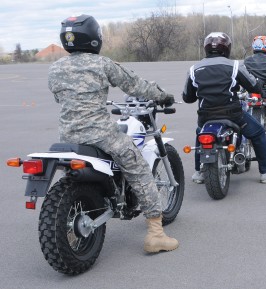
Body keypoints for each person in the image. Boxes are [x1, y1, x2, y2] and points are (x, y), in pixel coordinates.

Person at [48, 15, 178, 253]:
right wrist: (162, 95)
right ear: (94, 38)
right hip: (101, 134)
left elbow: (59, 97)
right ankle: (156, 235)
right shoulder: (102, 64)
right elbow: (135, 85)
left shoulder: (55, 68)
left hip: (67, 136)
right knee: (138, 168)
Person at [184, 32, 266, 184]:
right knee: (258, 133)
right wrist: (263, 93)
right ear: (227, 48)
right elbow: (252, 85)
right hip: (232, 114)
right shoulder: (234, 66)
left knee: (200, 134)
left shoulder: (194, 69)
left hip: (205, 116)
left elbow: (188, 97)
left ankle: (199, 172)